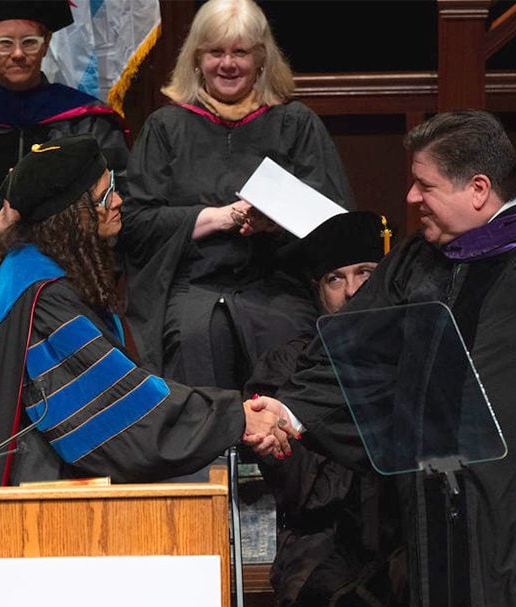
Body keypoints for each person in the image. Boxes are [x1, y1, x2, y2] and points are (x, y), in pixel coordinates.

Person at [242, 109, 516, 607]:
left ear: (479, 189)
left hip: (510, 503)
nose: (412, 198)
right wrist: (286, 411)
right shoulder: (418, 259)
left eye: (425, 184)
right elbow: (354, 352)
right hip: (428, 500)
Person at [0, 133, 289, 489]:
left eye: (113, 186)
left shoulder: (28, 272)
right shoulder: (44, 297)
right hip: (40, 500)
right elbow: (117, 413)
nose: (117, 201)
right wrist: (233, 418)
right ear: (71, 215)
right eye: (104, 195)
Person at [118, 0, 355, 391]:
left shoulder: (294, 124)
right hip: (193, 285)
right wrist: (220, 217)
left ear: (261, 60)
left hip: (276, 281)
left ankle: (281, 449)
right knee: (193, 336)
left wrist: (277, 223)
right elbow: (137, 222)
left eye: (240, 52)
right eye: (215, 52)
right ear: (196, 58)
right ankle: (203, 453)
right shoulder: (166, 127)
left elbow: (336, 222)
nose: (227, 64)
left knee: (287, 339)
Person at [244, 211, 411, 607]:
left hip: (410, 528)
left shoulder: (418, 351)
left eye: (366, 273)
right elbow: (305, 488)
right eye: (335, 278)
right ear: (317, 291)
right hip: (325, 533)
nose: (353, 290)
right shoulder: (290, 365)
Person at [0, 0, 130, 242]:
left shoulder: (87, 121)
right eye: (4, 43)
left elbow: (119, 196)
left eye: (30, 42)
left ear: (46, 44)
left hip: (73, 262)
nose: (18, 54)